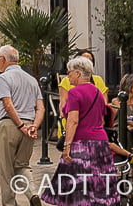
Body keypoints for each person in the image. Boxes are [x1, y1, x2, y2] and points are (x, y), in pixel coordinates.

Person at [42, 56, 121, 206]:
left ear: (78, 73)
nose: (68, 76)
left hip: (81, 144)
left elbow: (73, 121)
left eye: (69, 72)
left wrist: (67, 146)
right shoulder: (98, 92)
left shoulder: (74, 93)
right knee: (98, 186)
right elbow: (102, 120)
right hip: (100, 144)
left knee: (77, 188)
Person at [0, 45, 42, 206]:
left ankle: (9, 203)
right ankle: (32, 194)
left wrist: (20, 126)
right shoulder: (32, 79)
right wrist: (34, 126)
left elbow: (8, 105)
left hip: (9, 125)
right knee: (23, 165)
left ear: (3, 59)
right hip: (29, 125)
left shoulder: (4, 78)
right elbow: (40, 108)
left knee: (6, 169)